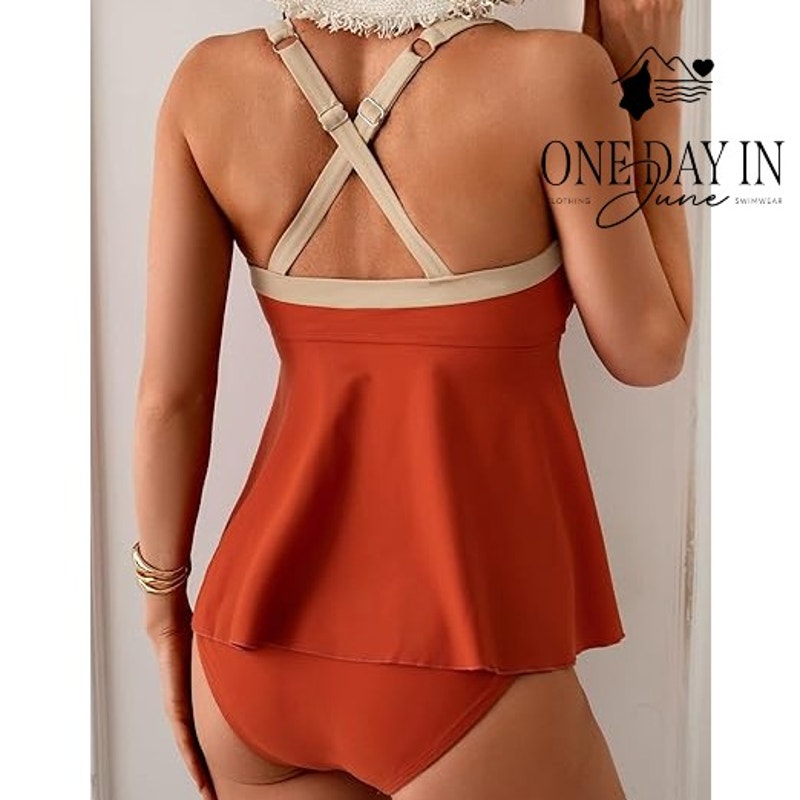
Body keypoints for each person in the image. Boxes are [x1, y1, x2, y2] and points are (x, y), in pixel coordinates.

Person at [132, 0, 693, 797]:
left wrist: (163, 614)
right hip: (461, 654)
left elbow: (171, 398)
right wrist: (650, 92)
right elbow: (649, 349)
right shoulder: (556, 75)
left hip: (249, 656)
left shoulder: (206, 81)